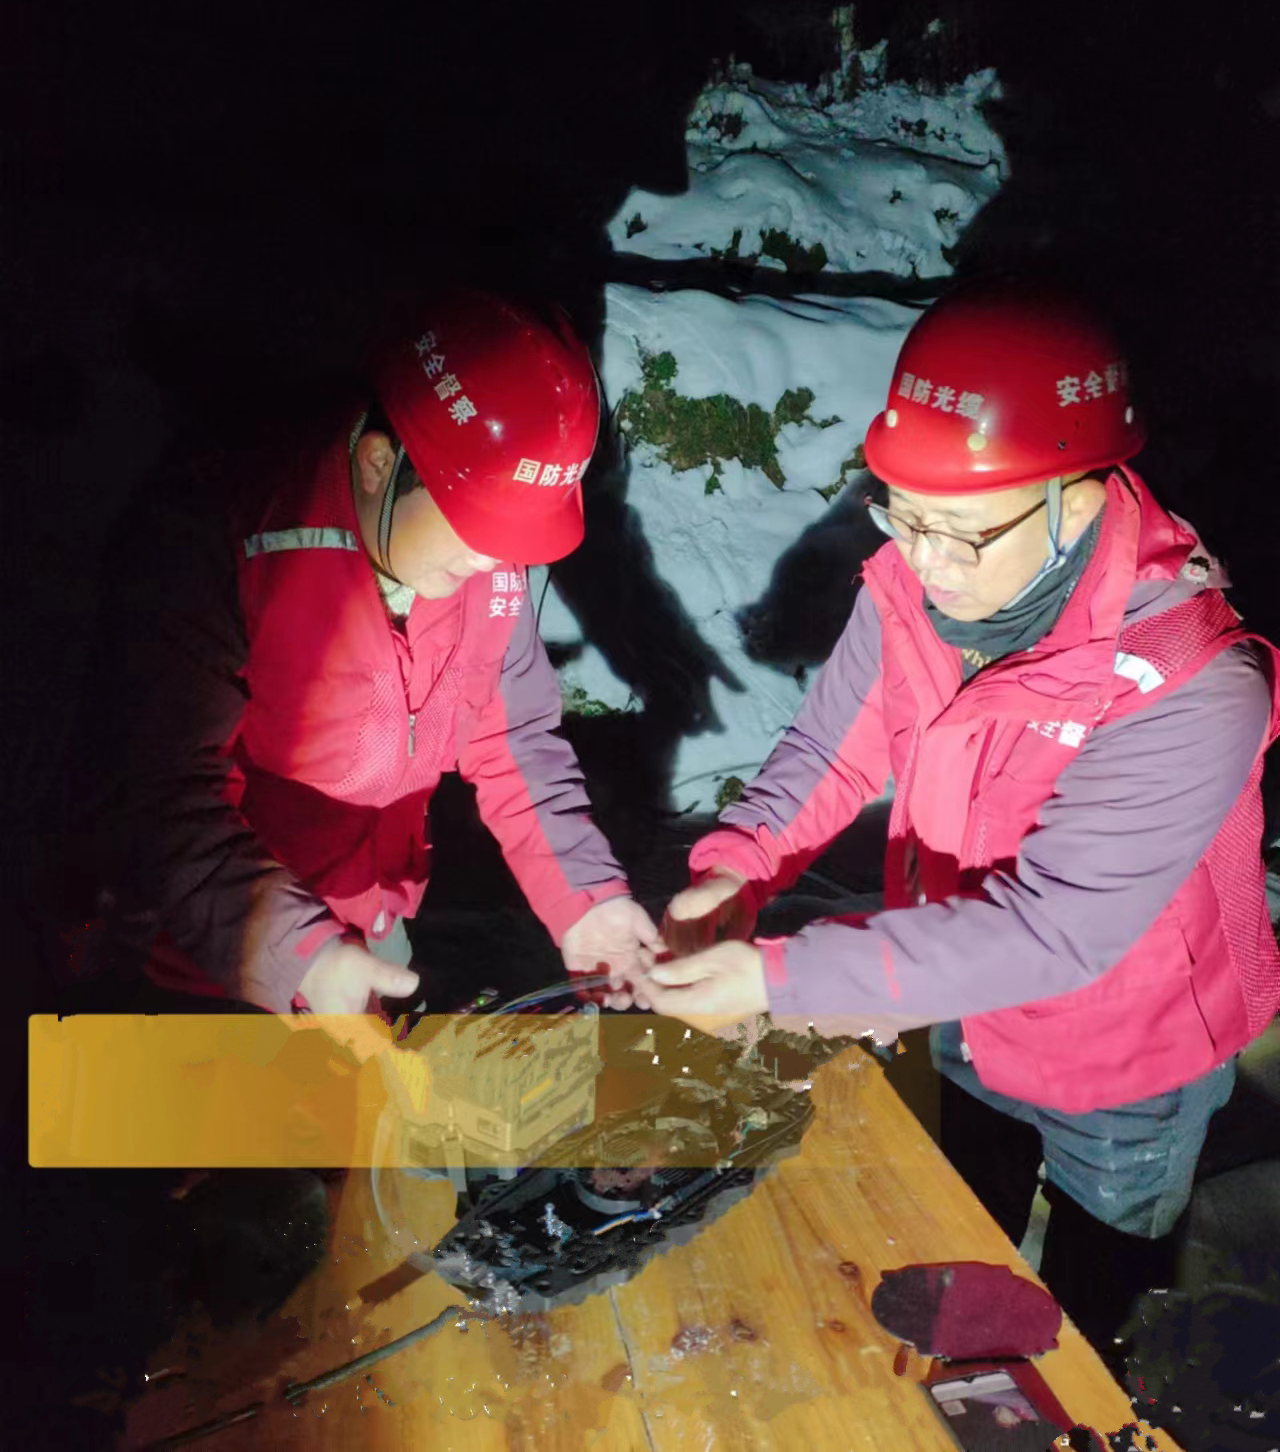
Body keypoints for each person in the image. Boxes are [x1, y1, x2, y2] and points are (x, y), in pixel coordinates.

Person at [635, 280, 1280, 1359]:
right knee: (951, 1235)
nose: (922, 559)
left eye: (960, 531)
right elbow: (833, 744)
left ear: (1078, 495)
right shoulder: (925, 581)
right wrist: (738, 866)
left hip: (1129, 1057)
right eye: (901, 513)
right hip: (957, 1006)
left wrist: (784, 978)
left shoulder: (1192, 685)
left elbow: (1050, 931)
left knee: (1084, 1316)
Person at [64, 287, 661, 1017]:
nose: (493, 559)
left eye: (512, 534)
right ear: (379, 462)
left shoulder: (487, 569)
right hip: (212, 952)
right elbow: (163, 795)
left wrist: (585, 898)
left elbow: (515, 741)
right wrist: (300, 954)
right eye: (478, 524)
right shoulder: (224, 545)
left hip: (372, 922)